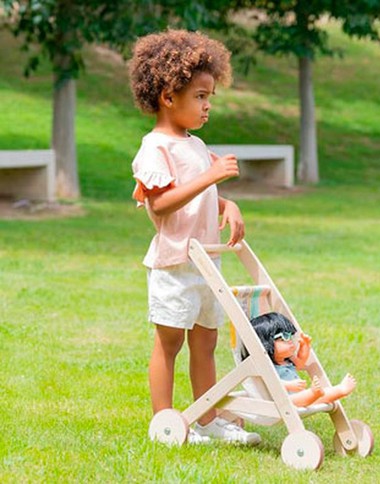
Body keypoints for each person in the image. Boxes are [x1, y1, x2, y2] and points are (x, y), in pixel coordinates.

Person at [129, 29, 260, 445]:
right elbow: (161, 204)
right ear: (169, 97)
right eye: (200, 96)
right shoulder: (155, 148)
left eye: (209, 97)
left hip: (207, 262)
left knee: (205, 343)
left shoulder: (196, 145)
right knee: (169, 343)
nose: (207, 106)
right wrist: (210, 175)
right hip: (174, 263)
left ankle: (206, 418)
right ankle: (165, 422)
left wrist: (227, 205)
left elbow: (204, 194)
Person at [249, 312, 356, 407]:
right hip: (284, 402)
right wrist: (289, 385)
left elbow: (300, 364)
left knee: (322, 394)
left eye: (290, 336)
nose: (290, 341)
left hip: (299, 396)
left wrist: (305, 347)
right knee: (311, 396)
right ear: (265, 345)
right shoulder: (266, 366)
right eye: (283, 338)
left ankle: (329, 392)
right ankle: (331, 391)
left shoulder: (287, 360)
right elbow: (270, 382)